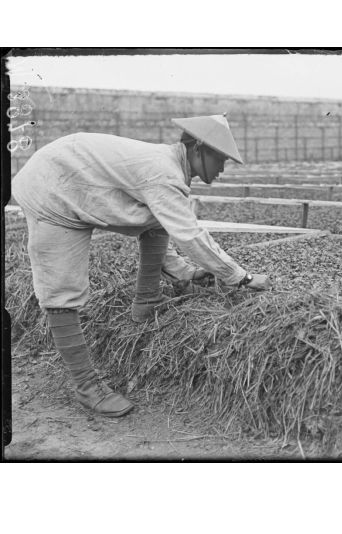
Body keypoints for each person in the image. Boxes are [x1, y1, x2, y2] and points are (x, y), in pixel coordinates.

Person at [12, 115, 271, 418]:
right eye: (221, 159)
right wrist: (241, 277)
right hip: (51, 189)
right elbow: (189, 234)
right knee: (62, 289)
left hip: (71, 174)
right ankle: (86, 386)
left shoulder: (168, 167)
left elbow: (166, 221)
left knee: (157, 216)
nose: (223, 169)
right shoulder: (164, 172)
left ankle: (147, 300)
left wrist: (182, 269)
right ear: (198, 149)